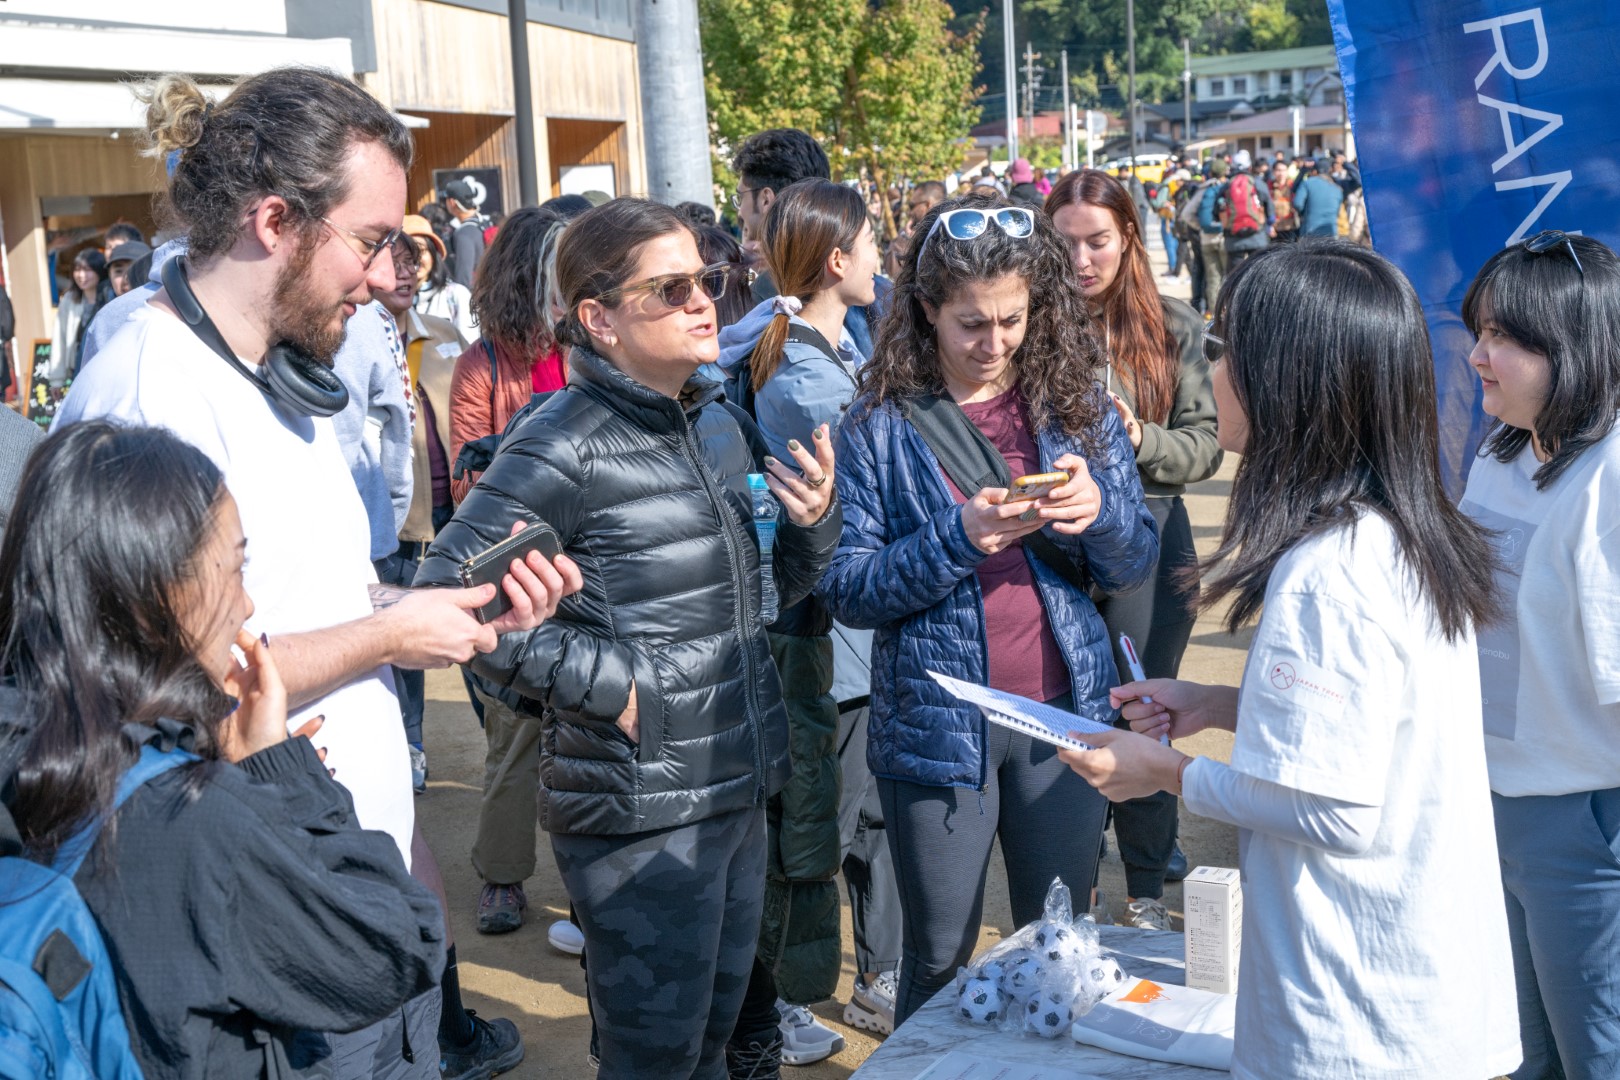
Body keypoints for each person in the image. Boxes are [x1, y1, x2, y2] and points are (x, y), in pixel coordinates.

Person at [55, 67, 577, 1078]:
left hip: (348, 887)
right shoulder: (143, 392)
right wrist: (390, 636)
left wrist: (442, 611)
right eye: (373, 240)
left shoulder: (281, 375)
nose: (391, 275)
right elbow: (148, 687)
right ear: (274, 220)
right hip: (265, 931)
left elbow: (312, 603)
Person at [1061, 241, 1520, 1080]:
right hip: (1416, 997)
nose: (1215, 372)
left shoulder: (1328, 573)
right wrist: (1217, 705)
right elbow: (1377, 726)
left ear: (1288, 378)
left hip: (1354, 1020)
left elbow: (1333, 810)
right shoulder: (1394, 533)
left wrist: (1161, 770)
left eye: (1226, 349)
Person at [415, 197, 842, 1079]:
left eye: (711, 281)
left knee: (717, 1043)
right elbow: (442, 600)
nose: (705, 303)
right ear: (598, 319)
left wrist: (813, 528)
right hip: (638, 810)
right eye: (672, 287)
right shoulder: (559, 443)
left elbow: (760, 600)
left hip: (731, 785)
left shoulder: (714, 418)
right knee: (655, 1060)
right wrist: (619, 686)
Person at [0, 421, 448, 1078]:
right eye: (236, 567)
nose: (246, 605)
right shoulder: (198, 826)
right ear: (159, 595)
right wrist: (282, 770)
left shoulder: (27, 746)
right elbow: (401, 947)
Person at [819, 193, 1158, 1026]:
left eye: (1013, 319)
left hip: (1062, 718)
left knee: (1061, 943)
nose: (996, 342)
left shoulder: (1077, 406)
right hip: (939, 729)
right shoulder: (875, 427)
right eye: (972, 324)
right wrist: (959, 537)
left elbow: (1136, 556)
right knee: (936, 954)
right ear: (926, 308)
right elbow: (851, 588)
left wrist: (1100, 515)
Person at [713, 177, 882, 1071]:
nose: (884, 257)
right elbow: (869, 505)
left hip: (832, 634)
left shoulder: (822, 349)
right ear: (837, 261)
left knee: (828, 825)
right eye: (872, 242)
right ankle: (766, 1013)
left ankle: (770, 1008)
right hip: (827, 636)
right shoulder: (808, 376)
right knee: (814, 831)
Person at [1458, 230, 1620, 1080]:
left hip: (1588, 824)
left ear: (1575, 347)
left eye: (1507, 339)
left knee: (1597, 1052)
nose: (1479, 357)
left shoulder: (1613, 477)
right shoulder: (1502, 450)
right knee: (1515, 1054)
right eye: (1479, 332)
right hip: (1493, 801)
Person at [1046, 169, 1223, 928]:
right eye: (1066, 244)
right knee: (1068, 712)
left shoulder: (1173, 325)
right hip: (1058, 542)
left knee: (1146, 706)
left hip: (1154, 536)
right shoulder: (1024, 324)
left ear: (1128, 239)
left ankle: (1148, 889)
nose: (1082, 260)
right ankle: (1072, 888)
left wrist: (1137, 438)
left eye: (1098, 242)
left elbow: (1205, 446)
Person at [442, 203, 577, 937]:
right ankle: (502, 876)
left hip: (584, 570)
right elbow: (469, 490)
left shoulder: (589, 349)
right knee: (514, 735)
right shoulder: (483, 365)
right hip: (509, 580)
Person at [448, 205, 572, 505]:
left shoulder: (587, 346)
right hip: (527, 525)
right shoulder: (479, 365)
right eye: (552, 280)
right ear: (524, 285)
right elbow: (464, 483)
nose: (564, 294)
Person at [41, 249, 113, 391]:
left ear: (99, 270)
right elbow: (59, 337)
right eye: (77, 270)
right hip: (78, 368)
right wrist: (57, 379)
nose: (81, 275)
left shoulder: (110, 296)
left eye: (87, 270)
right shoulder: (69, 299)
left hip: (106, 368)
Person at [407, 214, 478, 342]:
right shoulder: (386, 303)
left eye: (421, 250)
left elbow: (469, 347)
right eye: (407, 253)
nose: (415, 259)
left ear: (434, 254)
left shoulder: (455, 296)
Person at [1207, 157, 1275, 270]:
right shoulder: (1258, 183)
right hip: (1257, 236)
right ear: (1250, 167)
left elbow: (1216, 212)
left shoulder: (1226, 186)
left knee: (1235, 277)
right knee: (1258, 273)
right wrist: (1269, 223)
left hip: (1233, 239)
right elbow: (1270, 210)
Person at [440, 178, 487, 289]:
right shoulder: (485, 223)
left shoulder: (464, 233)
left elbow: (463, 278)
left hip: (475, 297)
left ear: (451, 202)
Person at [1195, 159, 1230, 308]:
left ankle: (1216, 318)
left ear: (1210, 173)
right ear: (1226, 172)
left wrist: (1201, 227)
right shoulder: (1230, 187)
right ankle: (1229, 313)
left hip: (1206, 240)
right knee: (1229, 277)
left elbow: (1187, 214)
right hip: (1225, 238)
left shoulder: (1204, 189)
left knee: (1213, 279)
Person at [1292, 157, 1345, 238]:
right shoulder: (1337, 189)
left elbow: (1297, 204)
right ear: (1330, 170)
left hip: (1310, 231)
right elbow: (1338, 212)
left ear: (1315, 171)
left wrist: (1304, 212)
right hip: (1331, 233)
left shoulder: (1307, 183)